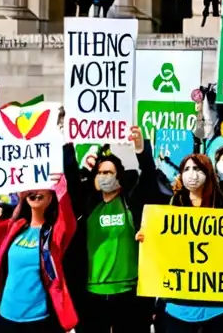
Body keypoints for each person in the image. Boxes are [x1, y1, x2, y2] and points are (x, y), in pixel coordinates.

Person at [138, 154, 223, 333]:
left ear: (208, 172)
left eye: (197, 169)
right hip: (177, 309)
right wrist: (147, 238)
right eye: (186, 169)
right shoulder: (172, 208)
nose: (192, 174)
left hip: (219, 310)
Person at [63, 127, 156, 333]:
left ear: (119, 176)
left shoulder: (131, 201)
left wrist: (141, 149)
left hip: (129, 293)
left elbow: (148, 176)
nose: (104, 176)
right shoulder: (87, 205)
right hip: (92, 294)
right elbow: (71, 179)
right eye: (100, 172)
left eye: (109, 172)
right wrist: (67, 143)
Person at [0, 174, 77, 333]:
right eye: (32, 186)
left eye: (41, 186)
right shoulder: (15, 228)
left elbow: (68, 225)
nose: (35, 191)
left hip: (38, 321)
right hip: (6, 318)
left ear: (51, 197)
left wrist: (63, 193)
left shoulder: (52, 233)